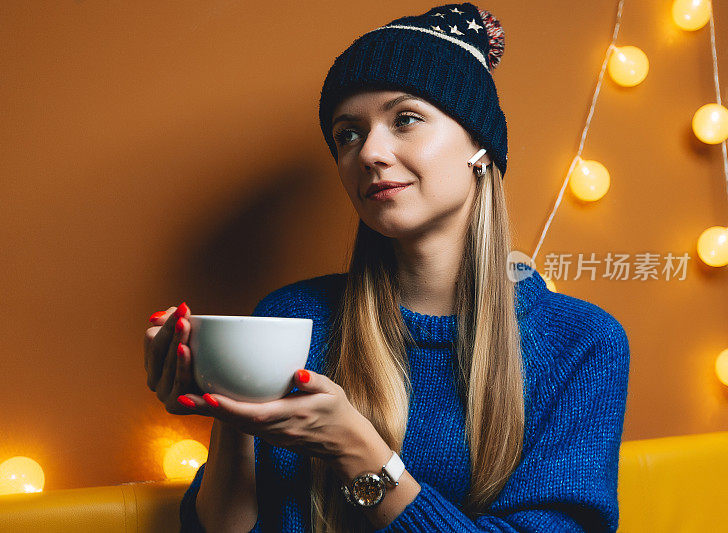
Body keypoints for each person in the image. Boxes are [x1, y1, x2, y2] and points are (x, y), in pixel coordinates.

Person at [143, 3, 631, 532]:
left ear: (481, 148)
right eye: (347, 134)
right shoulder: (290, 321)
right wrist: (228, 404)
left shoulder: (582, 344)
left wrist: (356, 449)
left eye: (406, 119)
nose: (370, 152)